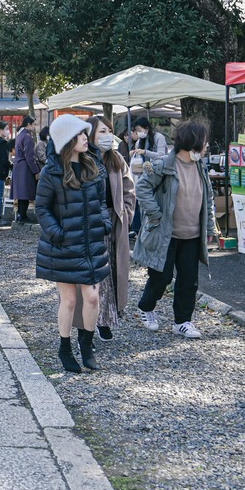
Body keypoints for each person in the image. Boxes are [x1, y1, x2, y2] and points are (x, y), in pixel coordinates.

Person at [36, 114, 112, 372]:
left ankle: (87, 343)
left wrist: (105, 223)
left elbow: (102, 201)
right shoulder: (51, 171)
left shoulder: (93, 165)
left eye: (84, 133)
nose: (85, 138)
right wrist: (58, 233)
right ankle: (64, 346)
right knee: (68, 300)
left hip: (91, 244)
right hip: (64, 246)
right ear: (67, 139)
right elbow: (42, 208)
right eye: (80, 134)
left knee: (91, 298)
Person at [133, 120, 216, 339]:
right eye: (204, 142)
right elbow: (142, 187)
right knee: (161, 277)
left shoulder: (201, 166)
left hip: (192, 235)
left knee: (189, 281)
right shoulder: (164, 165)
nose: (207, 146)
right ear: (194, 143)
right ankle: (146, 307)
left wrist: (209, 227)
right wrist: (155, 214)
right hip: (166, 233)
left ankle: (182, 321)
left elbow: (207, 198)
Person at [72, 117, 136, 341]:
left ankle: (105, 319)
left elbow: (129, 188)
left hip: (113, 221)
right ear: (89, 135)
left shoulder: (116, 158)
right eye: (101, 131)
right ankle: (87, 322)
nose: (107, 135)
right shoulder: (81, 160)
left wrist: (126, 213)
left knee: (110, 274)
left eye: (109, 131)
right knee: (91, 275)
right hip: (87, 224)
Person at [12, 115, 41, 224]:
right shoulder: (27, 137)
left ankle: (21, 214)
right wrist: (36, 170)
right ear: (29, 124)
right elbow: (30, 155)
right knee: (25, 192)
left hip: (18, 166)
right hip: (25, 166)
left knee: (21, 192)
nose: (35, 127)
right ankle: (22, 215)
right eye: (34, 125)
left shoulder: (20, 135)